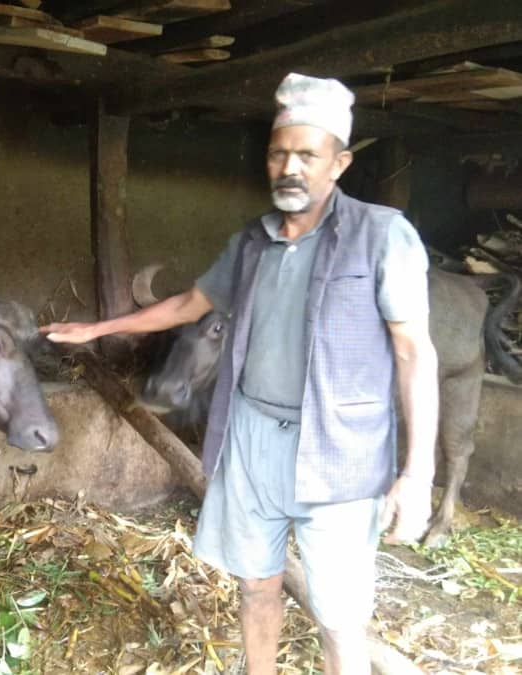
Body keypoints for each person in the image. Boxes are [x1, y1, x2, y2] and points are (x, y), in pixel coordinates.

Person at [41, 73, 438, 675]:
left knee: (339, 615)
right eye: (280, 153)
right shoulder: (252, 242)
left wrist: (418, 471)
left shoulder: (382, 236)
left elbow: (415, 353)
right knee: (256, 587)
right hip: (252, 437)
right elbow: (187, 307)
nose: (290, 168)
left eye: (308, 154)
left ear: (339, 163)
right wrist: (94, 331)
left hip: (341, 450)